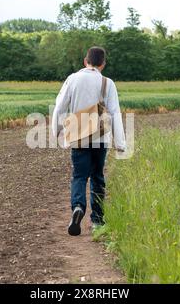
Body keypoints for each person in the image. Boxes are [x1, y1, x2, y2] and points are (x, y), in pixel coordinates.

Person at [52, 47, 126, 236]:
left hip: (78, 137)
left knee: (79, 176)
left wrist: (57, 131)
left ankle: (78, 207)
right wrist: (121, 144)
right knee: (97, 177)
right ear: (103, 64)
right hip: (100, 139)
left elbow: (59, 106)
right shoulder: (107, 83)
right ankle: (98, 221)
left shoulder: (72, 79)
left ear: (86, 61)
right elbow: (115, 112)